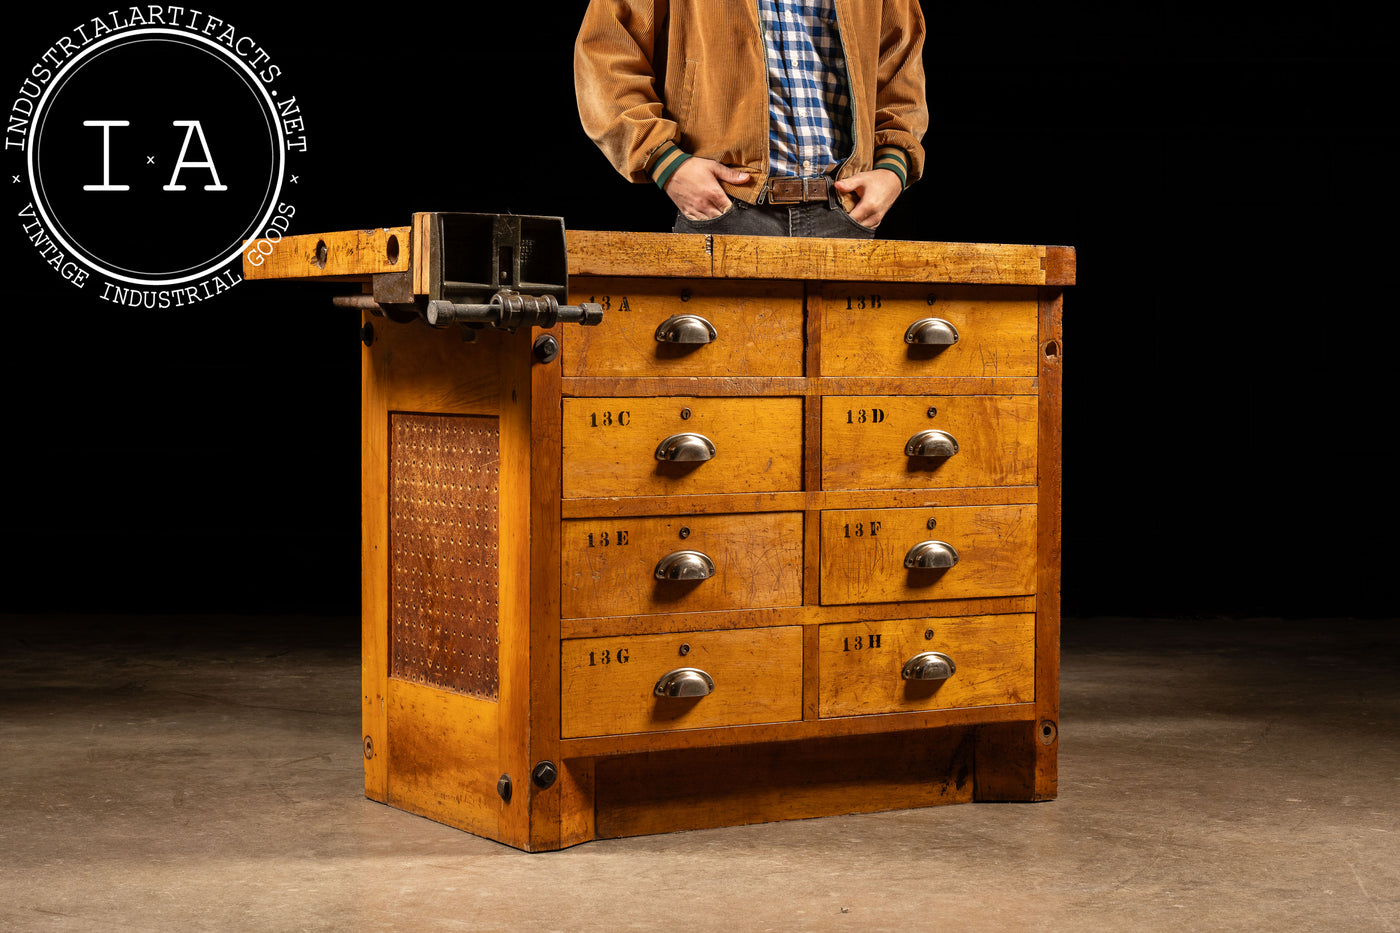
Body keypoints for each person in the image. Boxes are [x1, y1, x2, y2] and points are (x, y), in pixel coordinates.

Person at [574, 0, 927, 238]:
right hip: (725, 208)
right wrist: (666, 162)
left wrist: (892, 168)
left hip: (846, 213)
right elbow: (607, 52)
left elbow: (900, 68)